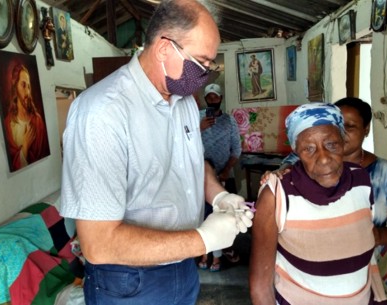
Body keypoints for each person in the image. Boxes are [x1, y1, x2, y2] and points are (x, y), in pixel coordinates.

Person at [60, 1, 254, 304]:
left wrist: (218, 196)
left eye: (210, 65)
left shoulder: (184, 101)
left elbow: (193, 162)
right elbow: (98, 245)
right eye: (201, 62)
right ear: (164, 49)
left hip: (182, 265)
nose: (205, 74)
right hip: (127, 279)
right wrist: (203, 239)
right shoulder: (102, 112)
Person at [250, 102, 387, 305]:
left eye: (331, 144)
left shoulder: (361, 180)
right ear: (296, 151)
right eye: (309, 149)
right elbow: (261, 286)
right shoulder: (277, 194)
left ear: (343, 141)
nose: (323, 159)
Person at [261, 98, 387, 252]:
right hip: (307, 264)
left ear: (366, 129)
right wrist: (276, 175)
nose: (342, 132)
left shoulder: (384, 173)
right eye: (337, 125)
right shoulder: (302, 163)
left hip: (365, 265)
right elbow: (283, 171)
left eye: (349, 126)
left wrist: (374, 236)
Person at [198, 83, 242, 272]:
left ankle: (226, 247)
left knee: (227, 214)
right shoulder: (195, 118)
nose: (213, 100)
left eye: (216, 97)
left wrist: (226, 170)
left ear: (221, 98)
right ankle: (204, 252)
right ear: (205, 99)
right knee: (201, 215)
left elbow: (237, 149)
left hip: (224, 173)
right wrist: (199, 128)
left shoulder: (229, 121)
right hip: (199, 175)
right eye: (210, 97)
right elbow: (181, 143)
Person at [4, 63, 50, 171]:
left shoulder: (38, 121)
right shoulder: (8, 125)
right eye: (23, 85)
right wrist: (25, 146)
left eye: (28, 86)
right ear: (15, 87)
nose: (27, 92)